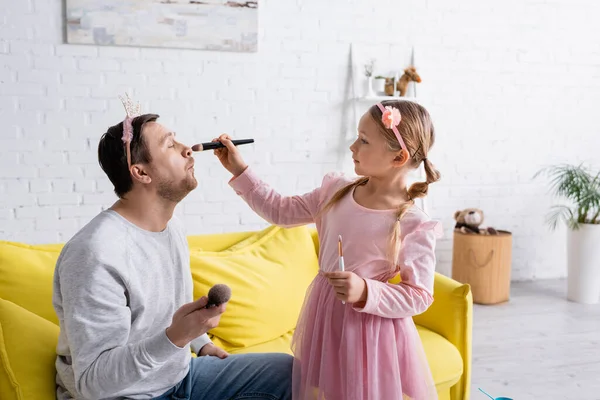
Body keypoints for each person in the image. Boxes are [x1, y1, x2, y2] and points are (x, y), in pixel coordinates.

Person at [52, 99, 293, 400]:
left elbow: (162, 312)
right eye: (170, 145)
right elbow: (93, 383)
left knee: (291, 374)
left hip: (179, 378)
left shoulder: (172, 225)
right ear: (141, 173)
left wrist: (199, 342)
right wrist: (178, 336)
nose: (187, 148)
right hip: (122, 395)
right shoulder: (94, 253)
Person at [213, 100, 443, 400]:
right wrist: (240, 169)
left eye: (363, 140)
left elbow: (419, 295)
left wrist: (365, 290)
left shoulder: (413, 223)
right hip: (326, 316)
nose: (352, 147)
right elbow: (281, 211)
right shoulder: (337, 190)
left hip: (370, 332)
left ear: (398, 157)